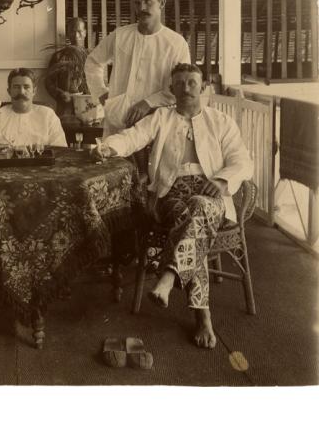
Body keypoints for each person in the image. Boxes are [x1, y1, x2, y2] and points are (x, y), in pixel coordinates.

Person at [93, 63, 253, 349]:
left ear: (203, 87)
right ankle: (200, 315)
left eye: (192, 82)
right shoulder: (161, 118)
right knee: (194, 215)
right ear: (171, 90)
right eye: (180, 83)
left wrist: (222, 180)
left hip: (211, 191)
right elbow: (132, 137)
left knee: (197, 210)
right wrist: (108, 147)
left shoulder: (221, 121)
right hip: (170, 193)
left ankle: (170, 279)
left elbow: (242, 161)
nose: (187, 88)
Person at [85, 0, 191, 136]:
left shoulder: (176, 43)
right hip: (119, 121)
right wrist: (101, 94)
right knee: (116, 158)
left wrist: (148, 103)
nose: (141, 8)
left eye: (148, 2)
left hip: (156, 121)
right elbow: (92, 62)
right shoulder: (120, 35)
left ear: (161, 3)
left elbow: (181, 85)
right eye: (137, 3)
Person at [0, 68, 68, 149]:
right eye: (16, 87)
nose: (21, 92)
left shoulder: (48, 115)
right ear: (9, 91)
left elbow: (60, 150)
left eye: (26, 87)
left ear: (34, 91)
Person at [44, 17, 90, 118]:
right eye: (72, 32)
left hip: (89, 107)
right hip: (65, 108)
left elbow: (101, 81)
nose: (76, 35)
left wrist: (90, 95)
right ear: (68, 34)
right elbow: (48, 82)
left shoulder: (92, 56)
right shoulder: (59, 56)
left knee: (90, 132)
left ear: (85, 33)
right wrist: (60, 94)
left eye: (79, 31)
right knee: (66, 132)